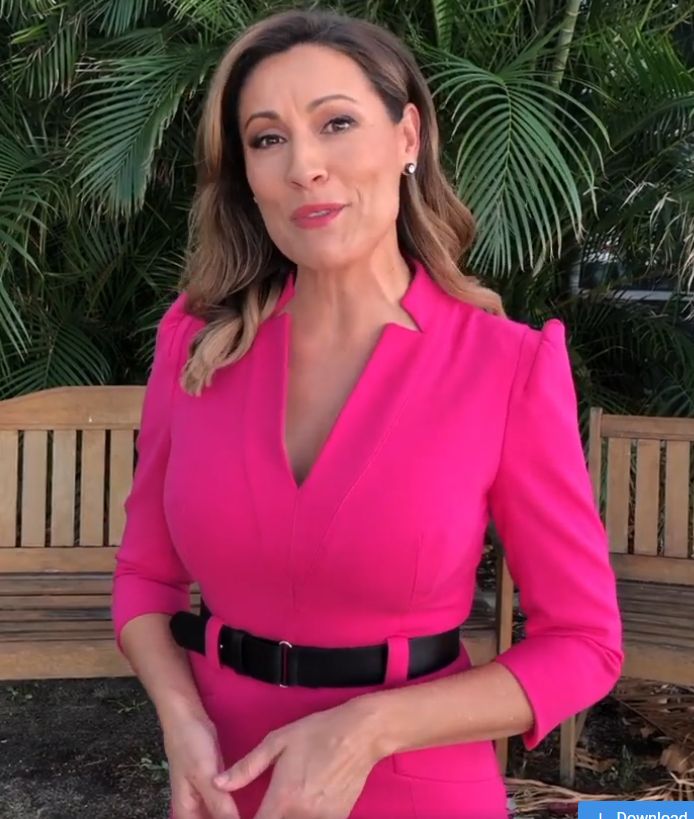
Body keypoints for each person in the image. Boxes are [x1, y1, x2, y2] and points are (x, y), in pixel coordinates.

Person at [110, 9, 623, 819]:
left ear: (406, 136)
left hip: (416, 784)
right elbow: (145, 576)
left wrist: (368, 729)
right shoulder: (195, 344)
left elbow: (585, 644)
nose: (304, 167)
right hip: (220, 782)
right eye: (267, 138)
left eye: (336, 123)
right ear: (246, 174)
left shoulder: (505, 366)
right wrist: (181, 721)